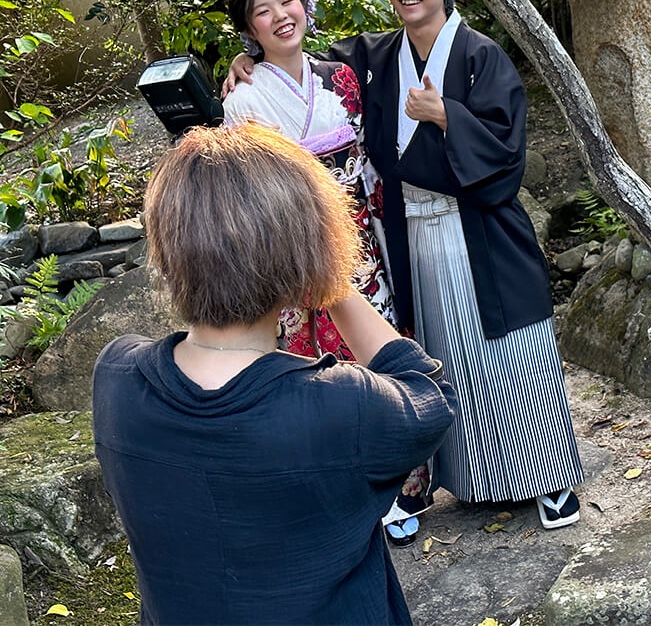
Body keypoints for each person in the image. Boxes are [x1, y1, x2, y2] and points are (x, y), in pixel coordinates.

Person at [224, 0, 584, 529]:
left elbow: (508, 152)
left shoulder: (480, 54)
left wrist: (447, 115)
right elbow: (302, 59)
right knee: (443, 358)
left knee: (513, 354)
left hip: (478, 227)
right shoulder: (374, 58)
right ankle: (476, 480)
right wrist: (247, 63)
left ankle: (552, 482)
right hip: (409, 235)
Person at [92, 123, 455, 625]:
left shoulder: (115, 377)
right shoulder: (342, 406)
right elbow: (429, 393)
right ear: (305, 256)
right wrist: (333, 278)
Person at [221, 0, 430, 545]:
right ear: (249, 29)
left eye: (287, 2)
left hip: (362, 237)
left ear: (304, 7)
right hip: (293, 247)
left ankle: (398, 491)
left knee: (379, 351)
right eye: (263, 11)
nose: (279, 16)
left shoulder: (342, 75)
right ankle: (344, 493)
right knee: (314, 368)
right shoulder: (245, 99)